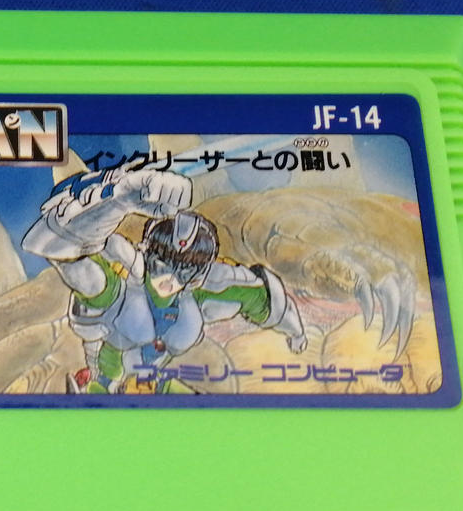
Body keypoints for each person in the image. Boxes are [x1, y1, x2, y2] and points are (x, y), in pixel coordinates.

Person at [22, 161, 306, 393]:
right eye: (162, 264)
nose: (170, 277)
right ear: (148, 254)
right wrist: (120, 198)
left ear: (197, 274)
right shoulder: (116, 283)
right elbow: (57, 247)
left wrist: (296, 333)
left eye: (185, 270)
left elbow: (264, 300)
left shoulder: (206, 288)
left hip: (151, 381)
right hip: (105, 381)